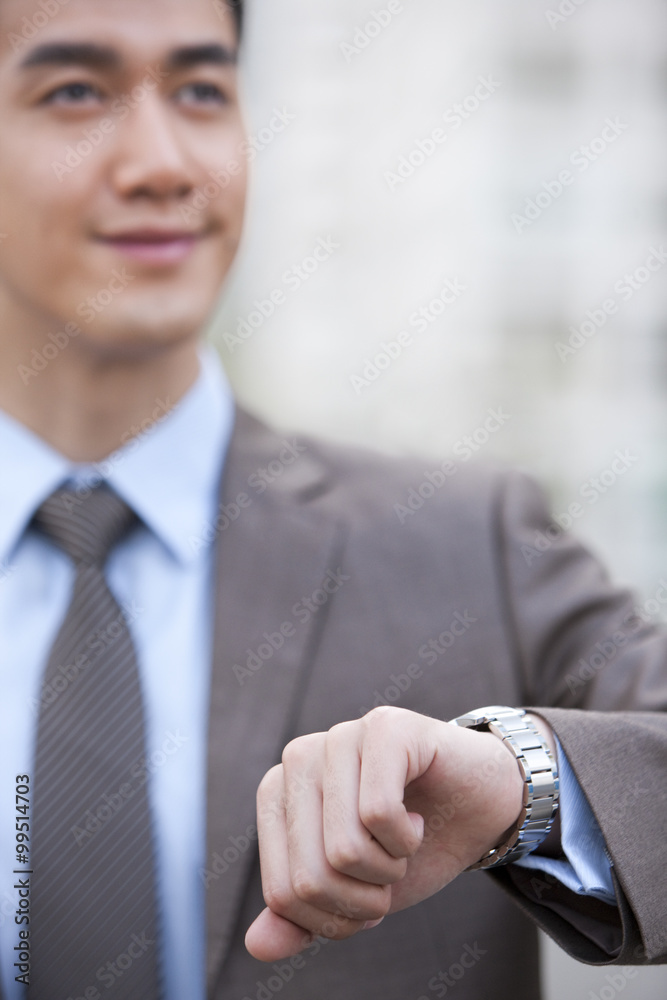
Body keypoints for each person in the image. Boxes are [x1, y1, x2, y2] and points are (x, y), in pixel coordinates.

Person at [0, 1, 664, 998]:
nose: (164, 163)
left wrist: (522, 785)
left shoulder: (464, 545)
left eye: (200, 89)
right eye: (75, 91)